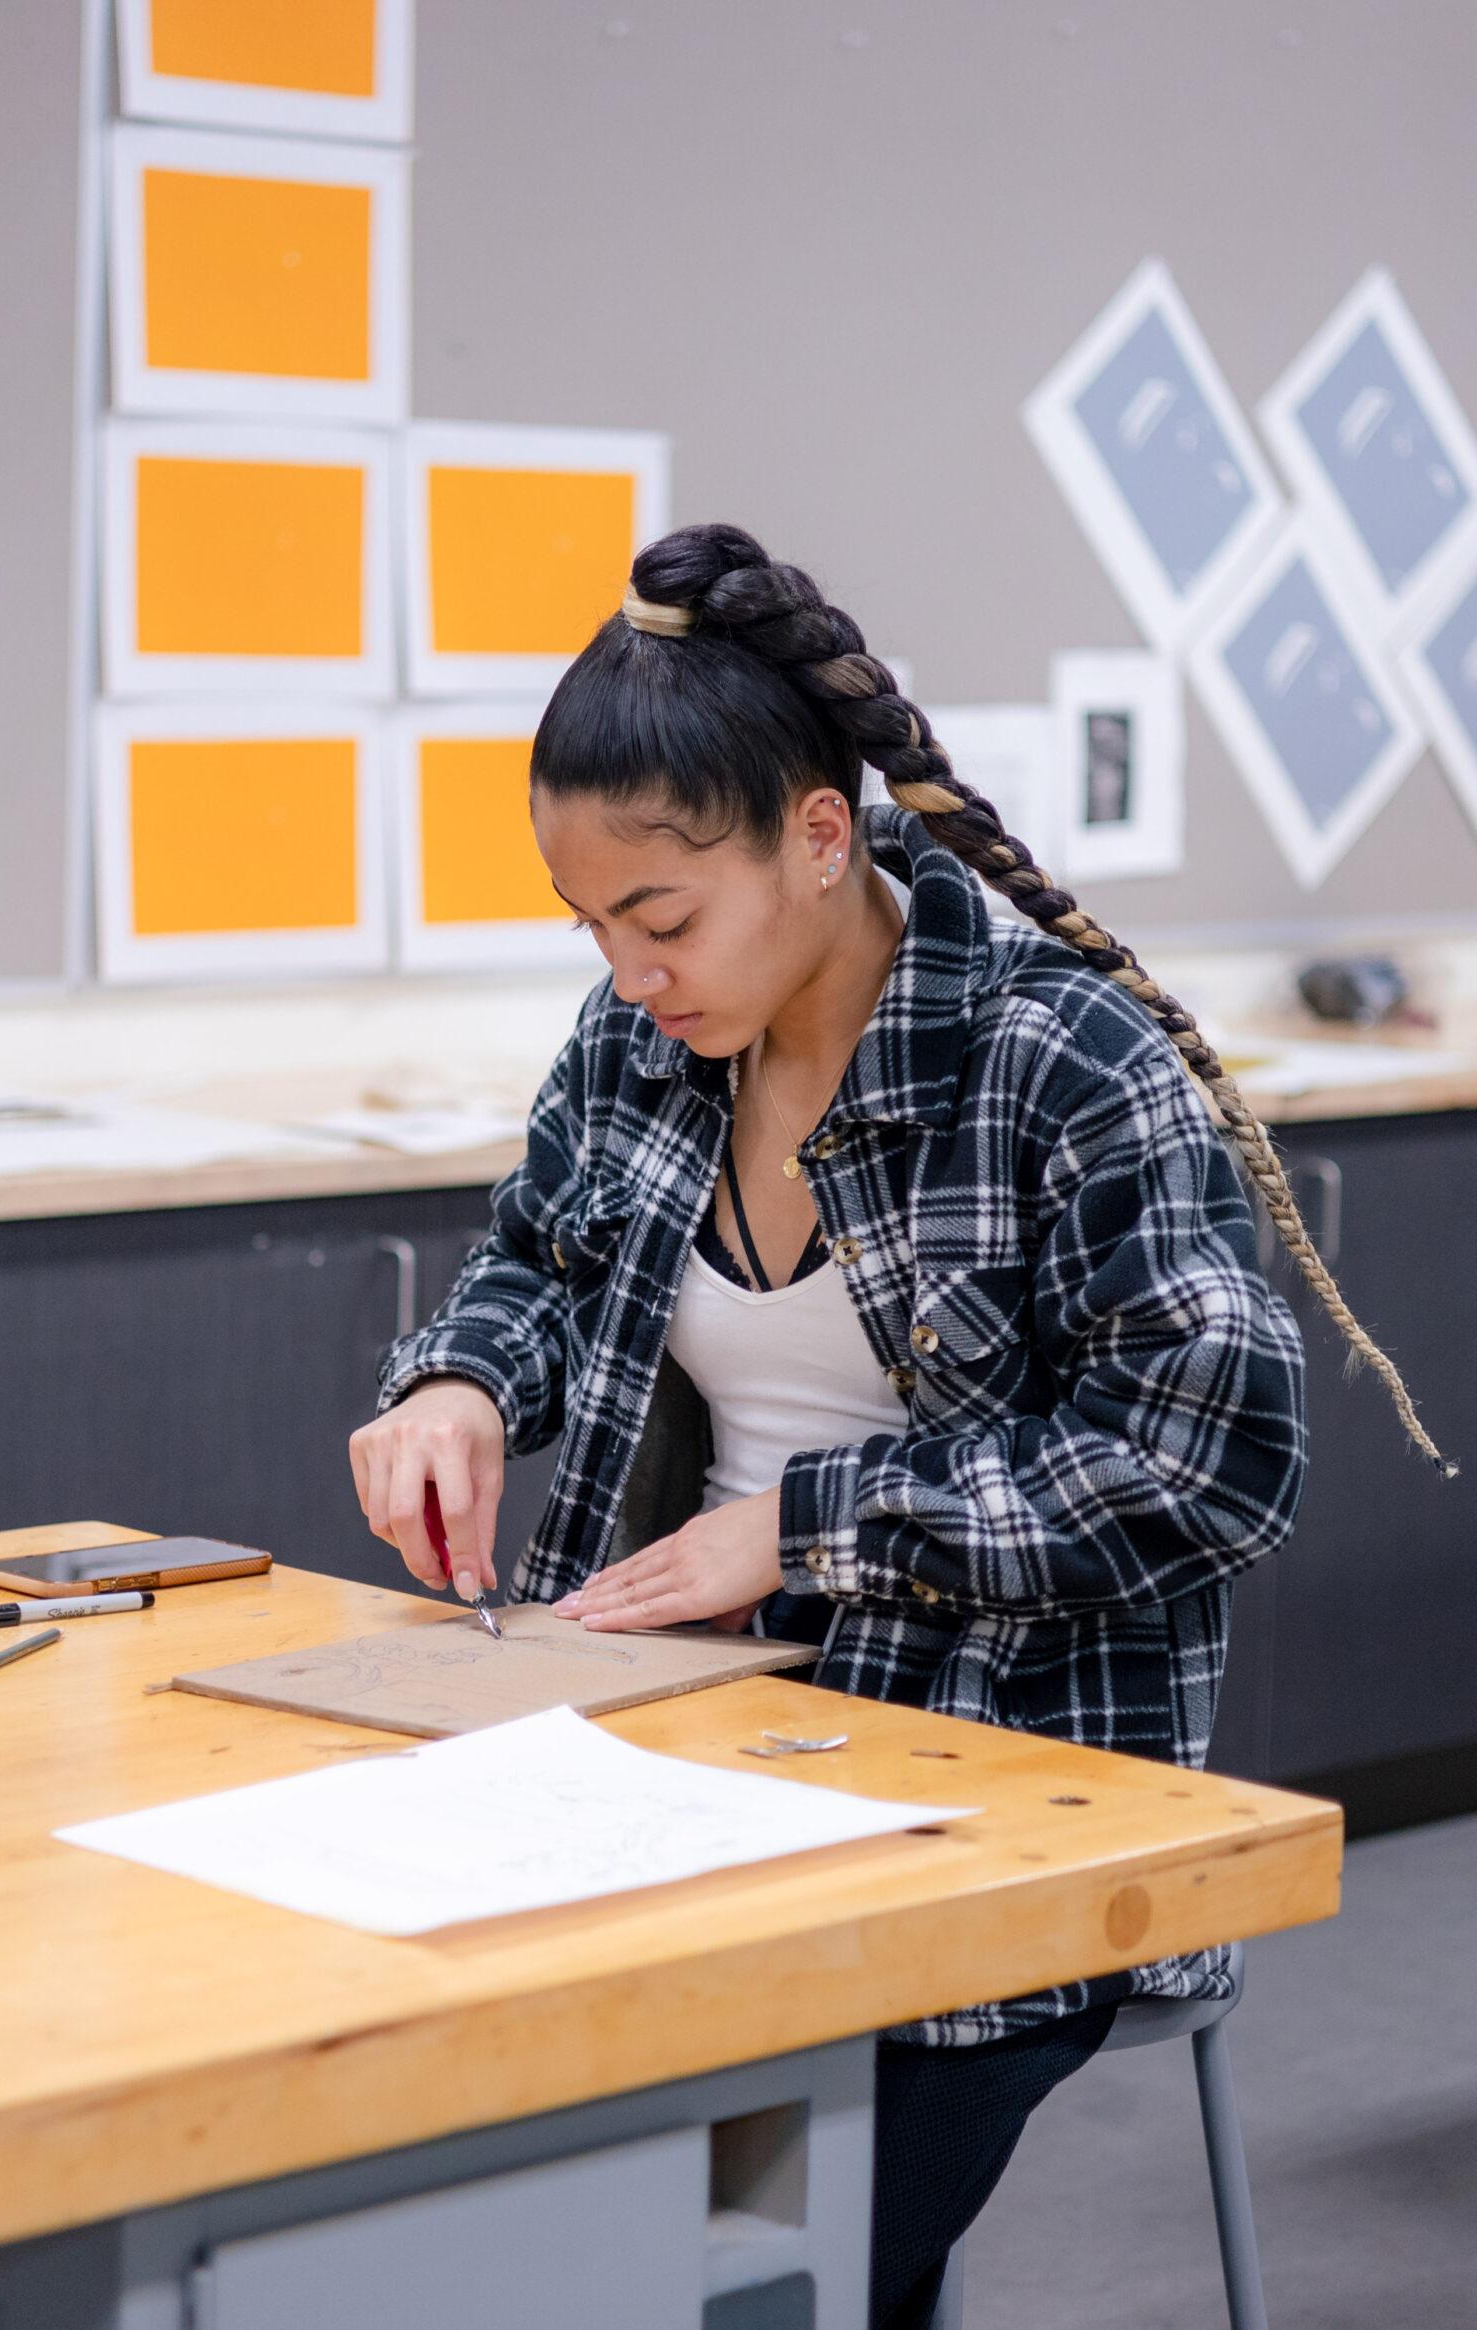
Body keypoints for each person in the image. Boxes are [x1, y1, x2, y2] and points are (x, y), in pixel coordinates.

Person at [346, 522, 1449, 2330]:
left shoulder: (1058, 1057)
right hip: (681, 1739)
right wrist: (458, 1381)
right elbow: (532, 1266)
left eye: (662, 916)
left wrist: (805, 1529)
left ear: (822, 835)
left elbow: (1214, 1454)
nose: (630, 973)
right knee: (455, 2145)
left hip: (993, 1793)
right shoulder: (647, 1040)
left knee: (713, 2269)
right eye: (593, 926)